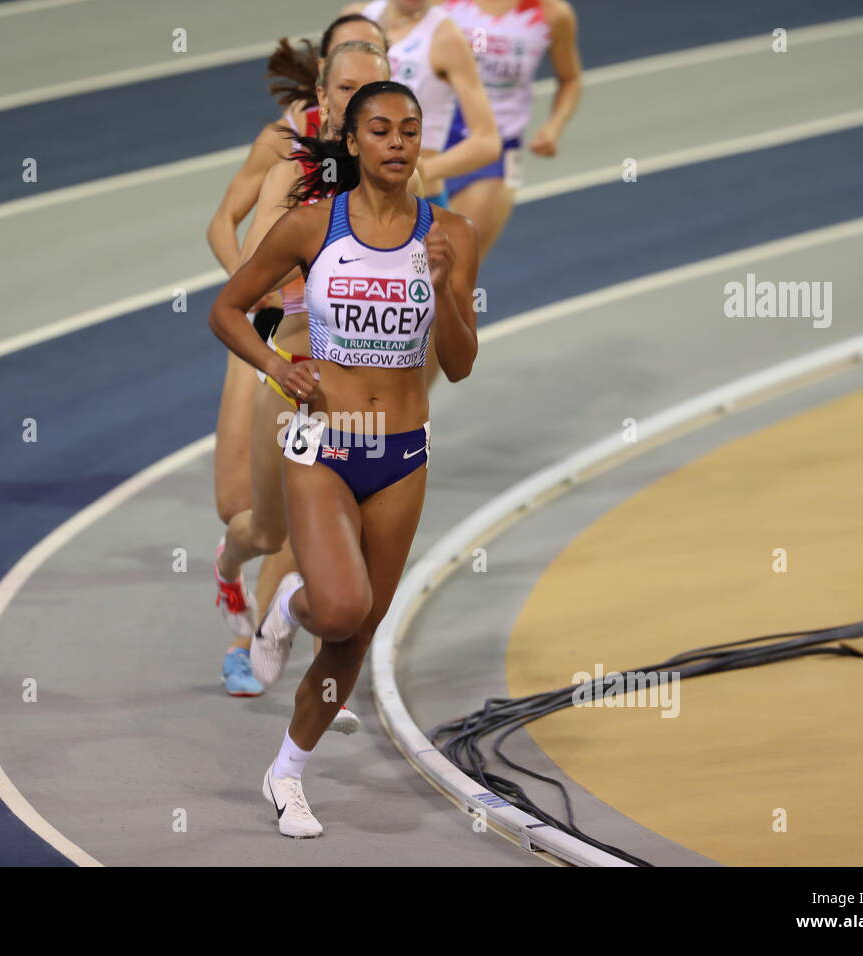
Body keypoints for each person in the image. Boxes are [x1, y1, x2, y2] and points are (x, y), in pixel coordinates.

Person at [209, 81, 479, 837]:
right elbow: (226, 310)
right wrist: (275, 365)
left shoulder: (451, 232)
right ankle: (294, 601)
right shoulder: (309, 227)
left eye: (410, 131)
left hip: (401, 454)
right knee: (341, 608)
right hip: (322, 443)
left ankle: (286, 775)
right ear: (354, 144)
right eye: (381, 130)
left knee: (354, 638)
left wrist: (446, 285)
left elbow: (458, 363)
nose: (397, 142)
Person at [206, 15, 388, 698]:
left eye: (374, 86)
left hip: (325, 354)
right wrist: (254, 293)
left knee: (301, 499)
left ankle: (259, 640)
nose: (359, 99)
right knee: (241, 510)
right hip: (264, 331)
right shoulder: (289, 146)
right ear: (323, 83)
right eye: (346, 87)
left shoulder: (390, 153)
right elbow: (225, 226)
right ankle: (229, 577)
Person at [442, 0, 582, 259]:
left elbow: (570, 80)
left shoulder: (553, 14)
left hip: (496, 153)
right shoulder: (445, 4)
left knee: (455, 265)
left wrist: (554, 126)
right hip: (430, 141)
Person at [345, 0, 500, 208]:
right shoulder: (354, 20)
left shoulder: (446, 39)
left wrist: (418, 171)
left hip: (418, 202)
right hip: (353, 197)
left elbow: (487, 141)